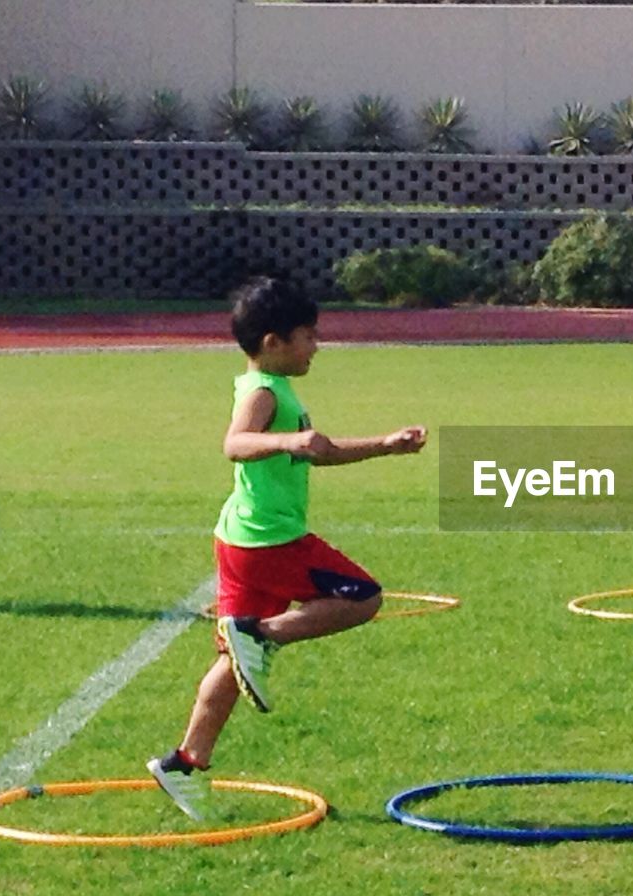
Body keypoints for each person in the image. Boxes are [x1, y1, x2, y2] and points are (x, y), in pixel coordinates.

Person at [148, 276, 427, 820]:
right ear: (273, 342)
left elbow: (318, 452)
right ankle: (263, 634)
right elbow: (236, 444)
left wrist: (385, 446)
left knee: (234, 661)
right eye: (308, 336)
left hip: (239, 537)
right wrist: (285, 440)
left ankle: (185, 761)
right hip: (270, 540)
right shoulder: (262, 393)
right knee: (363, 597)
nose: (317, 346)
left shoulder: (278, 390)